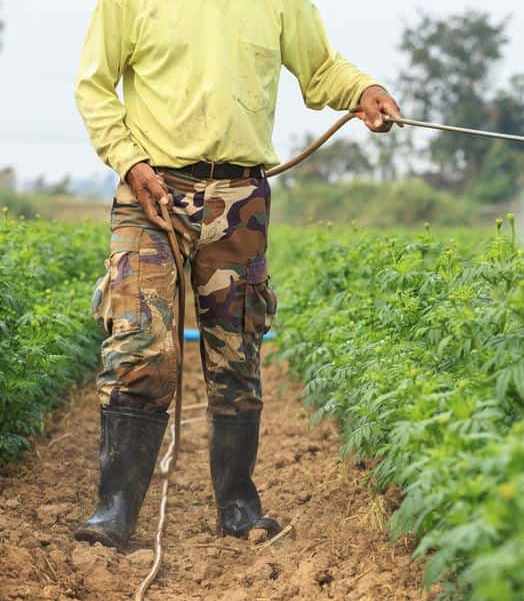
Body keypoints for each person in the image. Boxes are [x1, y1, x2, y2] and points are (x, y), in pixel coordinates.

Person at [73, 0, 401, 550]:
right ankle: (114, 510)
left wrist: (363, 90)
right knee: (140, 347)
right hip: (150, 190)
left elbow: (320, 67)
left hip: (240, 197)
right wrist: (130, 161)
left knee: (236, 353)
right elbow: (94, 85)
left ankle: (239, 508)